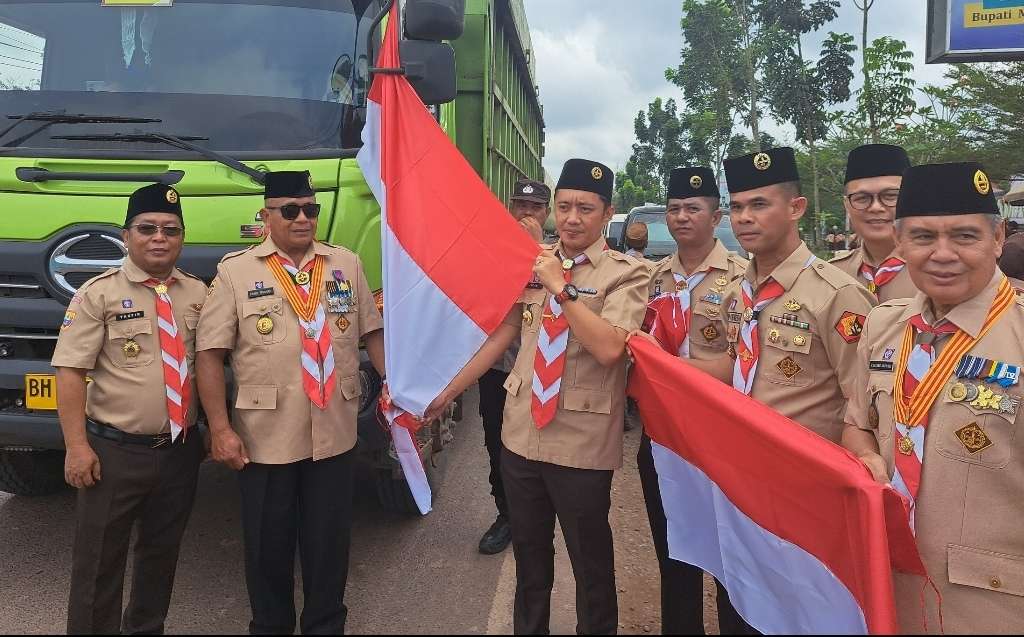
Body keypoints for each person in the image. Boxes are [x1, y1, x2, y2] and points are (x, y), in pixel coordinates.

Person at [423, 158, 648, 634]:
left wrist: (562, 289)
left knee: (590, 569)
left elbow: (610, 348)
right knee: (530, 562)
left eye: (585, 208)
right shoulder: (535, 263)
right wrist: (447, 393)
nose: (570, 218)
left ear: (607, 214)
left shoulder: (627, 274)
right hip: (522, 433)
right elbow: (502, 333)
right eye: (564, 206)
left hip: (581, 442)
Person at [196, 170, 385, 635]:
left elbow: (372, 332)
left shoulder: (345, 264)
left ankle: (325, 627)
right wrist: (220, 429)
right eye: (290, 210)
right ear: (266, 216)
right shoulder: (236, 272)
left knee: (328, 549)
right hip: (265, 438)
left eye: (311, 209)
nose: (303, 219)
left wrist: (397, 387)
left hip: (333, 431)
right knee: (267, 549)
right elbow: (210, 354)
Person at [841, 162, 1024, 634]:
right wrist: (864, 456)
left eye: (964, 236)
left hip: (991, 607)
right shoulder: (884, 326)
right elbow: (858, 422)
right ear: (900, 244)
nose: (943, 254)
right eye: (923, 237)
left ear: (999, 238)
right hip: (886, 589)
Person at [53, 183, 208, 634]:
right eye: (147, 228)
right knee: (98, 565)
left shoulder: (197, 293)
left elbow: (212, 366)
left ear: (181, 237)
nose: (159, 238)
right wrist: (76, 447)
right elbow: (69, 372)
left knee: (161, 559)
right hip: (116, 453)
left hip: (179, 450)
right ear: (127, 235)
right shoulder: (97, 294)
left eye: (171, 229)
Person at [635, 166, 748, 635]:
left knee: (730, 563)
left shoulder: (743, 278)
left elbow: (742, 361)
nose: (682, 217)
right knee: (674, 553)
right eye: (675, 208)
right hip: (662, 436)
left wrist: (665, 371)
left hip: (721, 441)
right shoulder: (654, 278)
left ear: (716, 215)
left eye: (693, 209)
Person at [477, 177, 552, 556]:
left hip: (541, 372)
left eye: (534, 208)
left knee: (539, 451)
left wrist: (535, 246)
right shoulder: (490, 253)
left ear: (546, 214)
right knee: (496, 446)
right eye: (519, 207)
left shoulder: (556, 258)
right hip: (498, 370)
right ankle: (505, 515)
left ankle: (537, 519)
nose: (526, 214)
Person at [830, 144, 918, 302]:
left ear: (911, 198)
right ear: (847, 205)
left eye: (891, 196)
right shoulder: (831, 276)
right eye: (862, 198)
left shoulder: (939, 273)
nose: (876, 207)